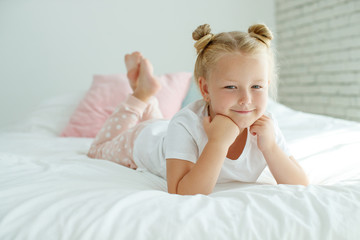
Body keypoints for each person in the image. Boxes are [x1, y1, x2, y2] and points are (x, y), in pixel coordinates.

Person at [87, 23, 309, 195]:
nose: (246, 99)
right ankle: (141, 96)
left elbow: (300, 183)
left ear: (267, 85)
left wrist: (270, 147)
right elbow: (183, 191)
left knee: (158, 122)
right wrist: (217, 143)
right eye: (231, 87)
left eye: (257, 86)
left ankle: (148, 96)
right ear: (205, 88)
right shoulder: (185, 124)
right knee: (97, 150)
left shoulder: (266, 126)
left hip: (164, 132)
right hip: (144, 141)